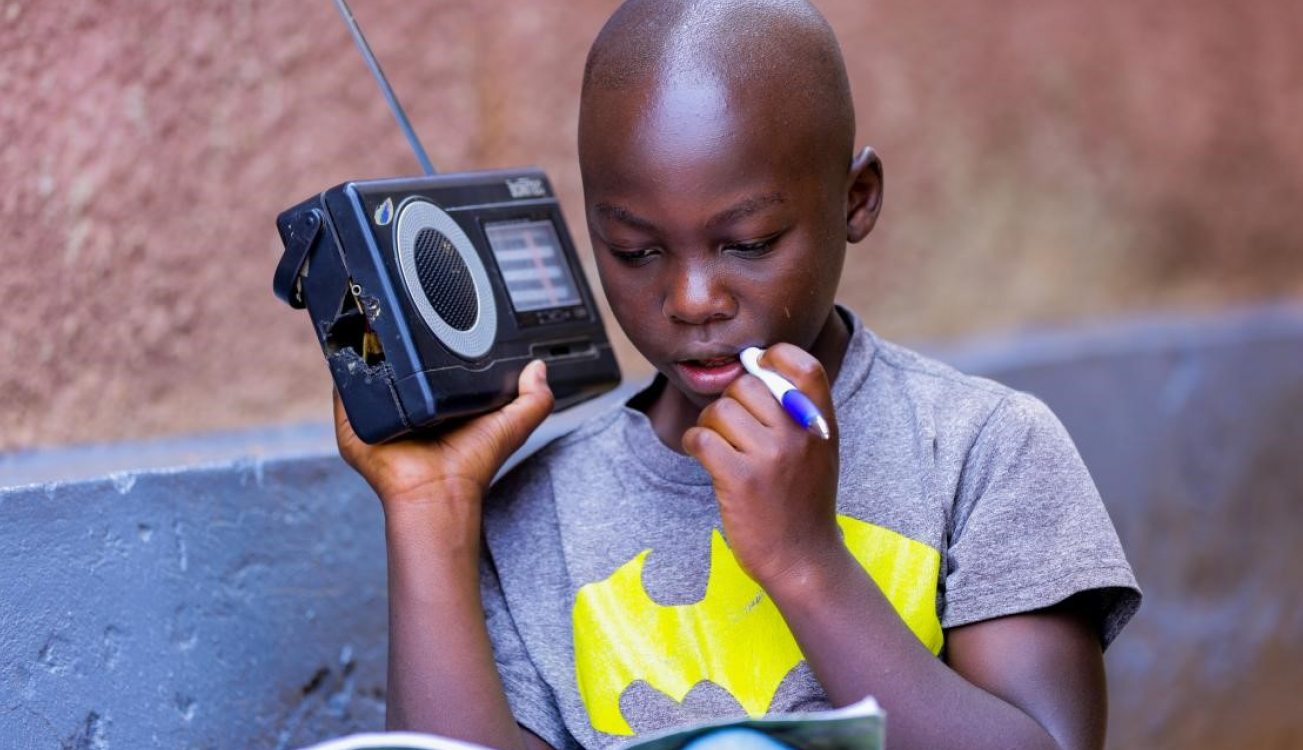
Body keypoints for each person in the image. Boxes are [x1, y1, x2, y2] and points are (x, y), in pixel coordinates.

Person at [334, 1, 1141, 749]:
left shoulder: (979, 450)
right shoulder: (539, 517)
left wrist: (803, 562)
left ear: (856, 200)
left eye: (749, 243)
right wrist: (431, 515)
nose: (692, 300)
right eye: (636, 250)